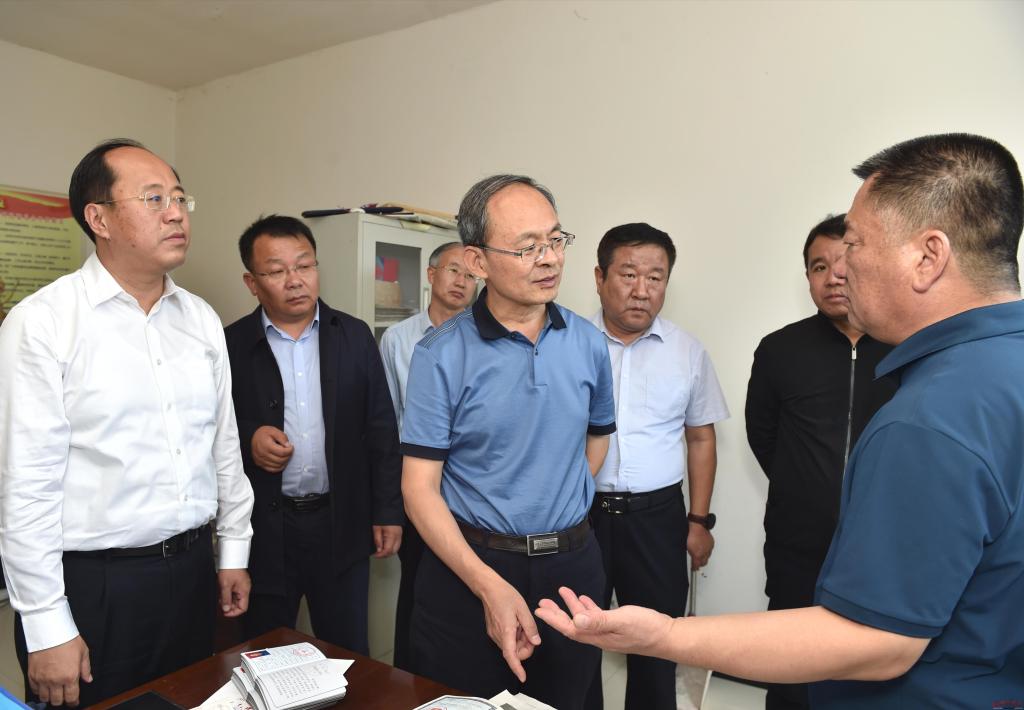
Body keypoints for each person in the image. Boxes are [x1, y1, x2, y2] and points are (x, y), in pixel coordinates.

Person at [537, 133, 1024, 708]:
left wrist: (666, 634)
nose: (843, 269)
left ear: (927, 257)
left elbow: (876, 641)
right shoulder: (999, 368)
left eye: (856, 244)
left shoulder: (926, 421)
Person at [0, 138, 255, 707]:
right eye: (154, 198)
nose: (176, 213)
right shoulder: (43, 324)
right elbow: (27, 487)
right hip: (95, 587)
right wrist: (45, 624)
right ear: (99, 219)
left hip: (192, 572)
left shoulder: (200, 320)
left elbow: (223, 447)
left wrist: (233, 549)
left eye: (181, 198)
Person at [400, 175, 616, 710]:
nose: (550, 259)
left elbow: (596, 441)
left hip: (571, 567)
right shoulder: (440, 354)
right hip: (469, 567)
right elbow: (419, 488)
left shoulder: (588, 343)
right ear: (477, 261)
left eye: (556, 240)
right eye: (527, 247)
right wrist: (486, 583)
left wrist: (549, 502)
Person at [224, 215, 402, 655]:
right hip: (265, 528)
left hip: (339, 522)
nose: (295, 280)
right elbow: (209, 427)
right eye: (277, 270)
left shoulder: (354, 336)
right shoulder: (230, 344)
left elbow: (381, 429)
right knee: (264, 653)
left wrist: (388, 510)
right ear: (252, 283)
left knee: (347, 653)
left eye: (304, 265)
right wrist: (249, 439)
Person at [745, 215, 897, 709]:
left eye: (843, 262)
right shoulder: (779, 350)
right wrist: (806, 489)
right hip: (798, 544)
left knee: (867, 671)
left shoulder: (905, 348)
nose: (833, 276)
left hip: (881, 542)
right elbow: (763, 435)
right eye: (818, 267)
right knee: (789, 669)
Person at [587, 222, 729, 710]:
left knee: (656, 646)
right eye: (628, 275)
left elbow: (701, 437)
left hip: (657, 518)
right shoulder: (569, 344)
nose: (642, 290)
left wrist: (699, 521)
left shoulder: (687, 351)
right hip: (579, 515)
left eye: (656, 277)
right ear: (600, 277)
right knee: (574, 639)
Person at [379, 240, 474, 671]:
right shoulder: (398, 339)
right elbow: (388, 419)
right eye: (454, 270)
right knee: (417, 590)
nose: (462, 281)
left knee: (467, 592)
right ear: (431, 274)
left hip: (470, 490)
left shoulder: (486, 338)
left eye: (471, 274)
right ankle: (409, 682)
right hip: (418, 488)